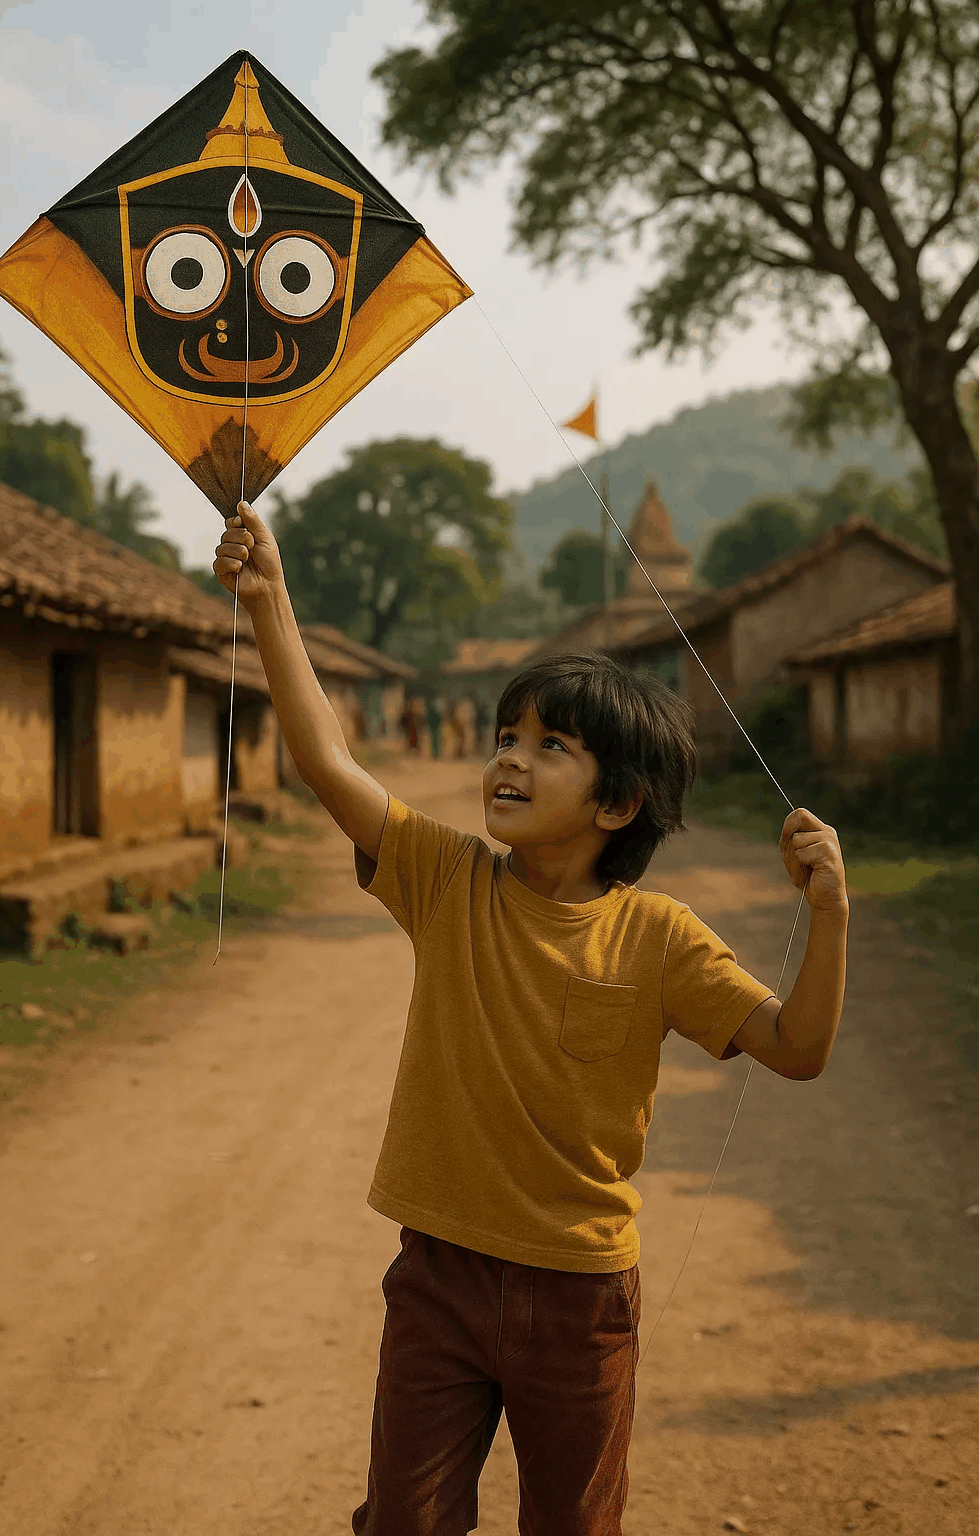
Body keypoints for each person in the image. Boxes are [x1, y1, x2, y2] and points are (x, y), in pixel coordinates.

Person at [214, 503, 851, 1536]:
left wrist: (828, 919)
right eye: (508, 735)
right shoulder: (444, 877)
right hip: (439, 1278)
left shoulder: (662, 938)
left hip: (581, 1296)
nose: (509, 757)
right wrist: (269, 597)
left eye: (550, 745)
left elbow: (799, 1048)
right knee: (402, 1524)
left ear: (615, 806)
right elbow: (328, 760)